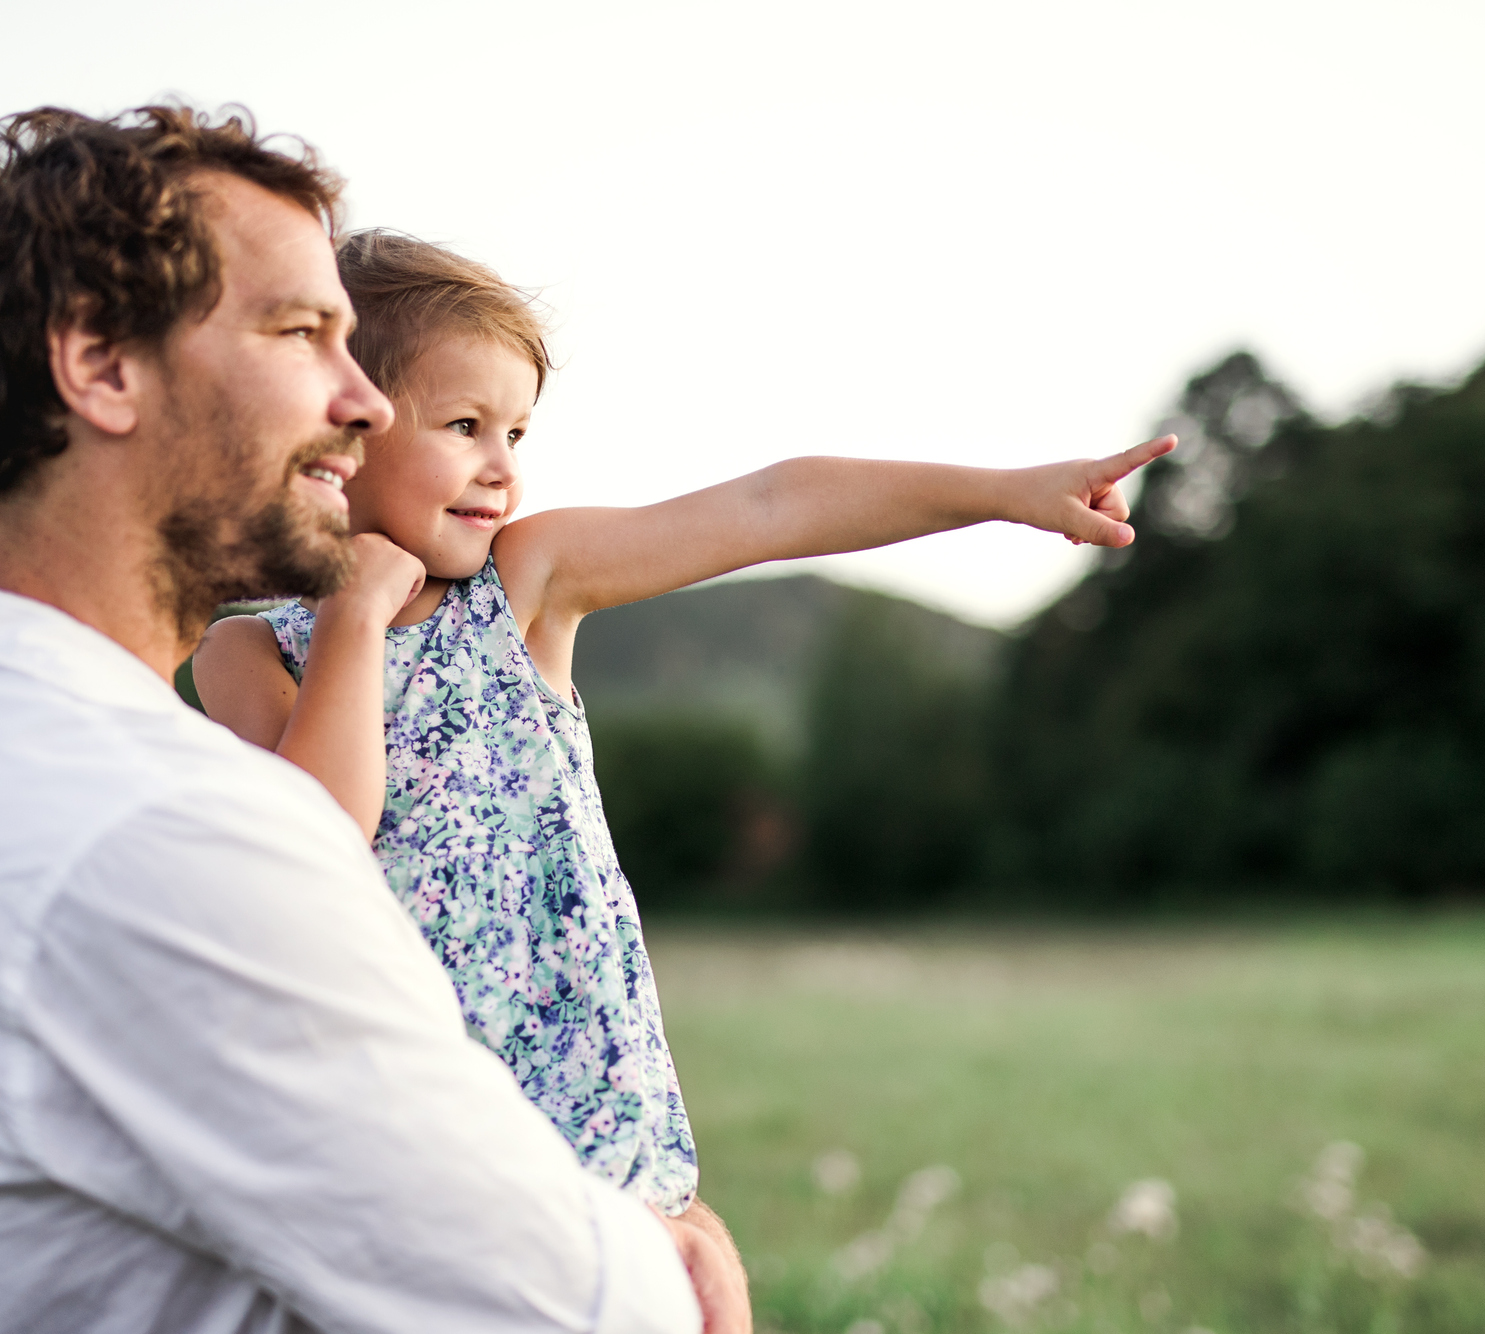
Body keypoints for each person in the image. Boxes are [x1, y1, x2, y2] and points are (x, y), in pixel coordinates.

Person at [0, 104, 743, 1333]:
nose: (364, 402)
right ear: (100, 364)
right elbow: (568, 1307)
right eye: (303, 332)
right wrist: (683, 1276)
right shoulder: (161, 828)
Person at [188, 233, 1176, 1235]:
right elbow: (324, 831)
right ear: (343, 426)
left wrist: (1004, 494)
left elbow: (771, 503)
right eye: (463, 424)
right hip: (401, 1147)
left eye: (517, 435)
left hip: (590, 1138)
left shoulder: (523, 582)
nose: (501, 469)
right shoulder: (247, 652)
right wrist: (356, 615)